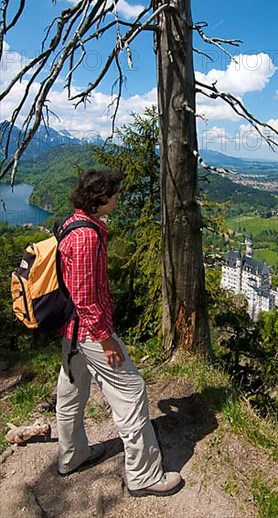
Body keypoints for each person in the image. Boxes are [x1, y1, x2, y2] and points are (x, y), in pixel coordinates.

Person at [56, 169, 183, 497]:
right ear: (102, 199)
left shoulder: (72, 223)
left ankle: (72, 456)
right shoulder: (86, 236)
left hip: (71, 331)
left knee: (71, 394)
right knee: (131, 392)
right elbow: (85, 295)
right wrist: (106, 338)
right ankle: (143, 474)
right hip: (89, 332)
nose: (118, 198)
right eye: (114, 193)